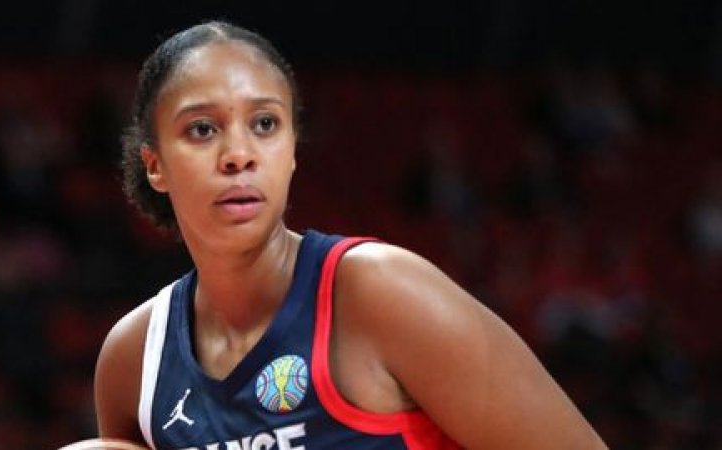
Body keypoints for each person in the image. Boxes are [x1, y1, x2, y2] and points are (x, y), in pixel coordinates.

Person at [94, 20, 606, 449]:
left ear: (293, 150)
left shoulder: (381, 292)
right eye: (203, 129)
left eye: (265, 124)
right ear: (155, 165)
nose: (239, 154)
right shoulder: (134, 361)